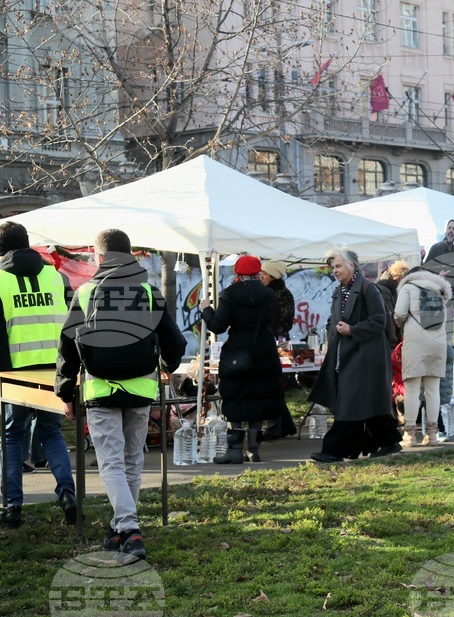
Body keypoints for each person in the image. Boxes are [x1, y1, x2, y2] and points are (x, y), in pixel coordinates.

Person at [56, 228, 186, 559]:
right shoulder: (148, 290)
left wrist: (65, 389)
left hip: (101, 389)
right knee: (132, 460)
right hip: (141, 388)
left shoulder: (86, 292)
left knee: (112, 462)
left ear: (99, 257)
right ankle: (118, 530)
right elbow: (176, 341)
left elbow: (68, 347)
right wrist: (168, 364)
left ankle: (128, 529)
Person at [0, 221, 77, 530]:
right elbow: (71, 326)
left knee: (11, 436)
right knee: (51, 434)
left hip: (15, 371)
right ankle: (68, 495)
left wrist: (0, 374)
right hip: (54, 369)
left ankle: (12, 507)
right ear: (27, 243)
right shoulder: (56, 276)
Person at [308, 247, 403, 462]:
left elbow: (379, 320)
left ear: (352, 266)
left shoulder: (369, 289)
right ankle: (388, 442)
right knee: (366, 404)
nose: (335, 270)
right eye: (333, 267)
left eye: (339, 266)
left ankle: (333, 451)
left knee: (351, 403)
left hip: (366, 356)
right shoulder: (339, 291)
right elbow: (334, 321)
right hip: (347, 355)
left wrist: (353, 330)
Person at [200, 255, 283, 463]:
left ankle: (234, 449)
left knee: (235, 395)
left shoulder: (229, 294)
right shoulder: (268, 294)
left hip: (238, 351)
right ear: (257, 271)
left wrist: (206, 310)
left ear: (237, 271)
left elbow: (218, 326)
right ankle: (253, 450)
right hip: (264, 349)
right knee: (259, 396)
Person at [393, 266, 452, 447]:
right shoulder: (440, 291)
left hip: (416, 342)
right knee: (432, 389)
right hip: (438, 342)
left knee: (412, 389)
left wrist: (402, 325)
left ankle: (410, 436)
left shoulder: (408, 287)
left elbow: (400, 313)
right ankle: (432, 435)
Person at [258, 259, 298, 441]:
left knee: (274, 384)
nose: (261, 276)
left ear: (273, 276)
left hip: (277, 342)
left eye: (265, 274)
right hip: (275, 340)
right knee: (273, 384)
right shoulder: (272, 292)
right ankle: (286, 425)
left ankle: (276, 426)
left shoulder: (279, 294)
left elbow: (281, 322)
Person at [376, 260, 409, 351]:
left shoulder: (389, 289)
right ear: (400, 278)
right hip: (387, 343)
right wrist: (393, 342)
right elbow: (389, 317)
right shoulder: (386, 291)